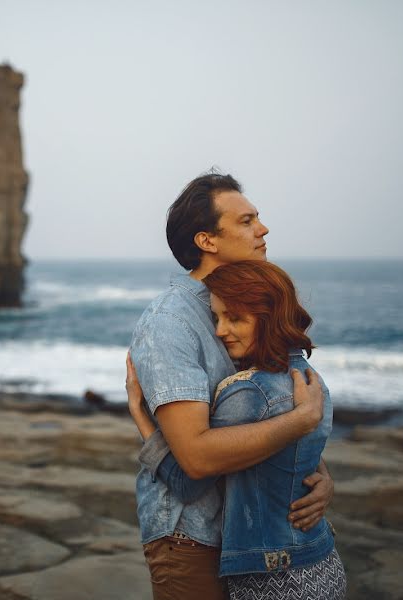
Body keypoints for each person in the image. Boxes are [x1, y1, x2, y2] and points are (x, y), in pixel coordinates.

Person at [128, 171, 334, 599]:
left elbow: (276, 402)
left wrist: (317, 473)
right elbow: (197, 459)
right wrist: (300, 423)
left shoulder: (247, 304)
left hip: (260, 538)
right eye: (246, 221)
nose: (263, 229)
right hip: (192, 537)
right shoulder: (170, 323)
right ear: (207, 240)